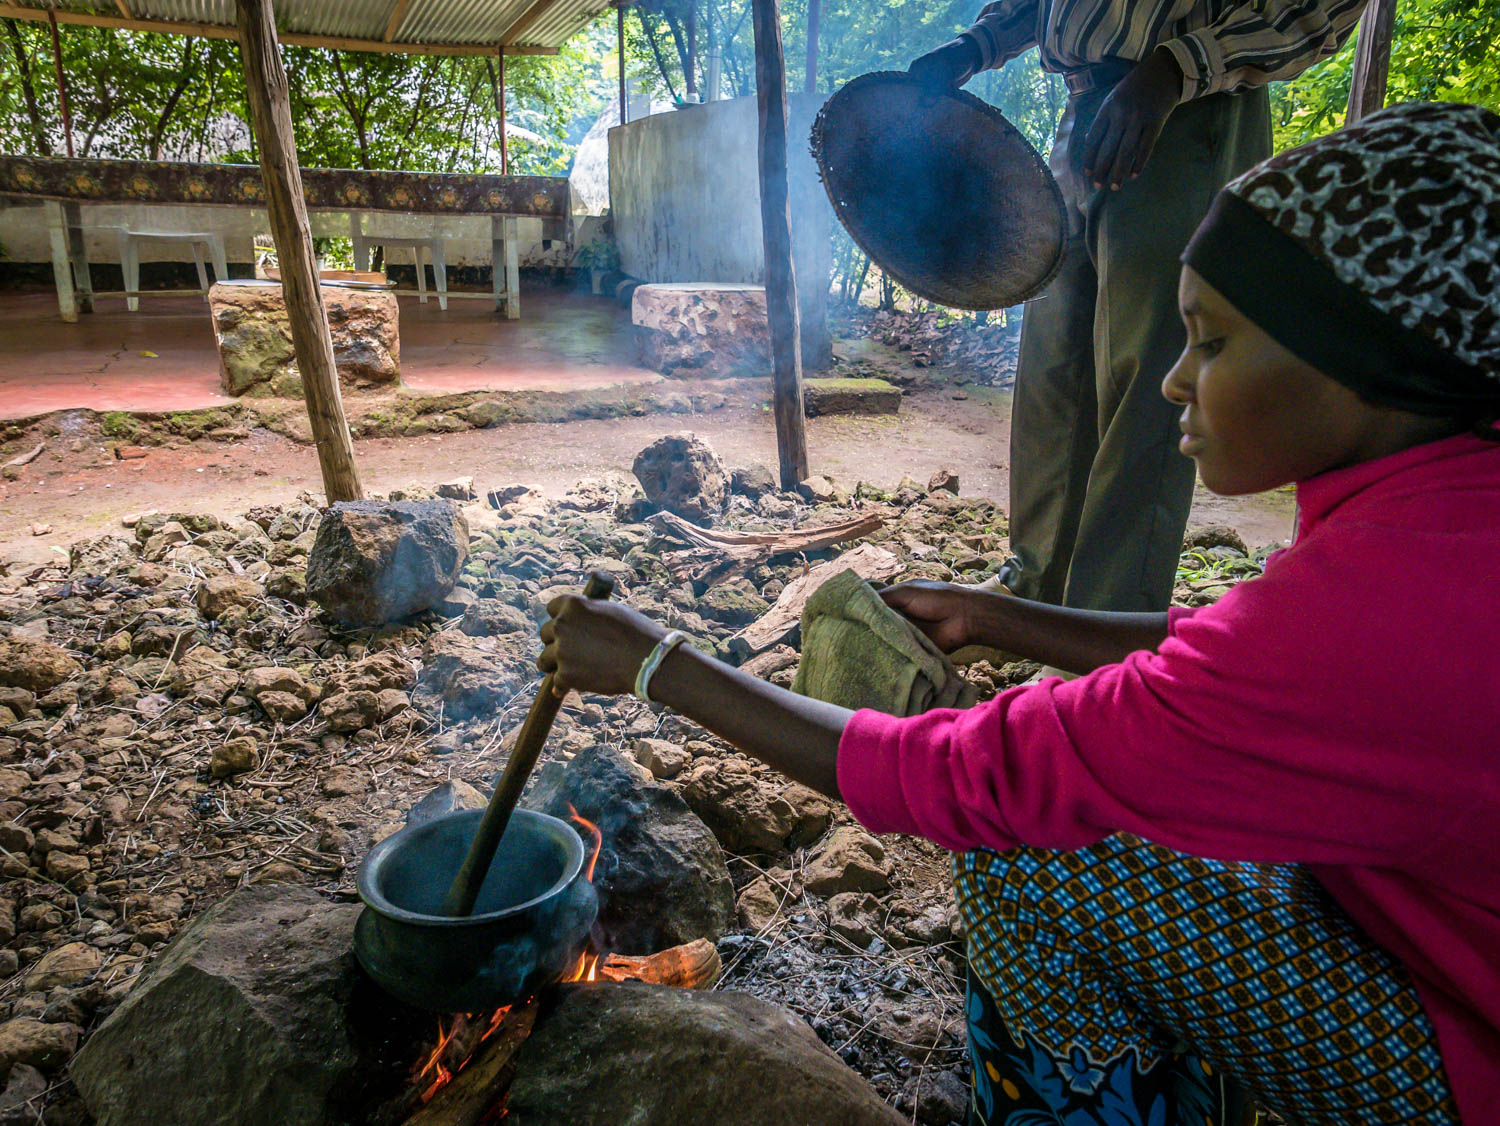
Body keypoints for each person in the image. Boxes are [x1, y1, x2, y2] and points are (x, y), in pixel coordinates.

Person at [539, 103, 1500, 1125]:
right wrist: (996, 615)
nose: (1174, 376)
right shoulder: (1440, 523)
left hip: (1468, 1057)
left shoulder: (1380, 610)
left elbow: (970, 776)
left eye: (1212, 344)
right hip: (1446, 947)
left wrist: (658, 665)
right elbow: (1233, 661)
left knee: (1036, 852)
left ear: (1365, 362)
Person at [906, 0, 1370, 614]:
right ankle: (1035, 588)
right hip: (1085, 107)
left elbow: (1318, 9)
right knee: (1054, 373)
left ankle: (1104, 619)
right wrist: (976, 46)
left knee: (1147, 384)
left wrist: (1173, 69)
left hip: (1187, 115)